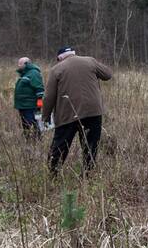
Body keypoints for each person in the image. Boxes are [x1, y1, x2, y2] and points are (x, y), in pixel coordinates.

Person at [41, 46, 113, 175]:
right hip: (93, 112)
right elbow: (108, 75)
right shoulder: (90, 61)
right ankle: (88, 174)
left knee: (60, 146)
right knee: (91, 146)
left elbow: (48, 97)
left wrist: (45, 116)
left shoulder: (57, 69)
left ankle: (53, 174)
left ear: (60, 57)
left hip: (68, 114)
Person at [13, 56, 45, 138]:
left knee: (33, 122)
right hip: (23, 105)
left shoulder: (33, 73)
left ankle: (37, 139)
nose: (18, 65)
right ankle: (27, 139)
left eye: (20, 63)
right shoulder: (26, 73)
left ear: (27, 64)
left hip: (30, 105)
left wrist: (39, 104)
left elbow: (39, 89)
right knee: (25, 124)